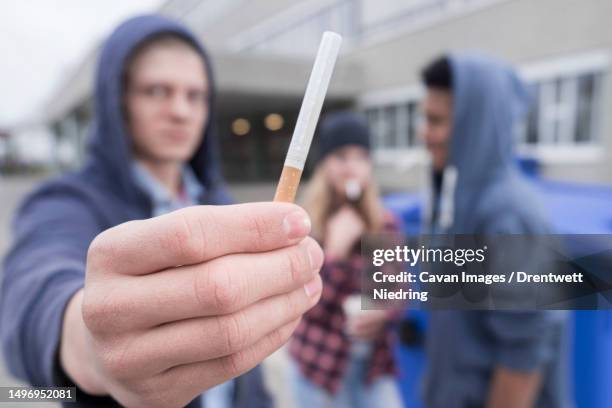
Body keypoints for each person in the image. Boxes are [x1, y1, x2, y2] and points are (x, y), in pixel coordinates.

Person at [0, 15, 324, 408]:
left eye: (195, 95)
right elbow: (32, 287)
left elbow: (243, 367)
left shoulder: (222, 205)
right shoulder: (65, 203)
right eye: (157, 91)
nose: (180, 111)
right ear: (118, 99)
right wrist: (87, 342)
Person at [419, 53, 571, 408]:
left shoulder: (509, 215)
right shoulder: (460, 199)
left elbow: (524, 354)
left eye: (435, 121)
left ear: (476, 124)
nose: (424, 134)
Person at [288, 112, 404, 408]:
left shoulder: (384, 223)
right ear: (325, 163)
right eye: (341, 156)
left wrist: (384, 315)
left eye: (361, 156)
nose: (352, 166)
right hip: (319, 369)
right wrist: (335, 253)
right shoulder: (304, 224)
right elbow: (300, 308)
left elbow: (397, 291)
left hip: (372, 367)